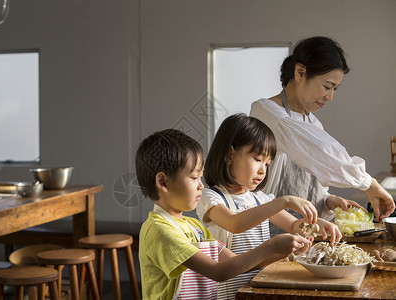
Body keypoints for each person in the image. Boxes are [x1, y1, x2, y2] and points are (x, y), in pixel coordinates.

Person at [136, 128, 312, 300]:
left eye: (200, 177)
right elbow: (218, 271)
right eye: (193, 177)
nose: (201, 185)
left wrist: (287, 251)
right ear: (163, 182)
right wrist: (271, 246)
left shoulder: (194, 227)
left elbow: (239, 264)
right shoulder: (159, 230)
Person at [250, 36, 395, 225]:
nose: (330, 97)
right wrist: (369, 183)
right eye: (327, 87)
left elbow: (312, 177)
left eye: (335, 89)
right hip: (267, 232)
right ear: (300, 73)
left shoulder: (313, 122)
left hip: (305, 232)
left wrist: (327, 201)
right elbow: (320, 150)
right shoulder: (267, 112)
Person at [196, 114, 340, 299]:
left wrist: (317, 224)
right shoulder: (210, 198)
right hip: (229, 294)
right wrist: (284, 201)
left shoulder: (261, 200)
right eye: (257, 158)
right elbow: (235, 224)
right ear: (229, 155)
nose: (263, 170)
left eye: (267, 163)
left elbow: (295, 225)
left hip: (259, 288)